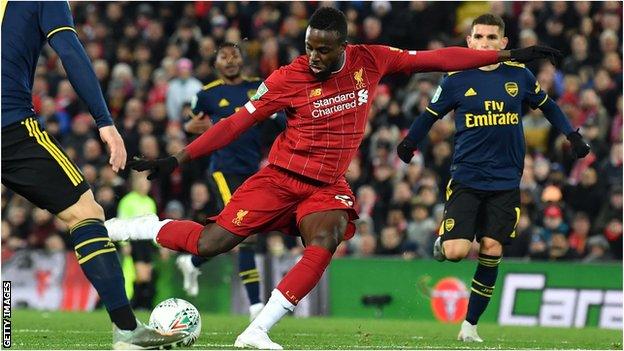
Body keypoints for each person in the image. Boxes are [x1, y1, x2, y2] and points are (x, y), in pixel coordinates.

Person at [107, 7, 560, 350]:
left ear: (343, 45)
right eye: (309, 46)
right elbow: (235, 123)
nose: (314, 56)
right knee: (213, 244)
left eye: (323, 48)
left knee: (326, 238)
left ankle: (256, 331)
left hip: (325, 185)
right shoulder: (287, 78)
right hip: (280, 178)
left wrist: (506, 56)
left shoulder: (371, 60)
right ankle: (136, 228)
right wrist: (179, 157)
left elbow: (437, 58)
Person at [0, 2, 188, 349]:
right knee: (85, 213)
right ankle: (127, 330)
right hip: (9, 126)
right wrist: (104, 121)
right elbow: (70, 52)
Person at [396, 14, 590, 342]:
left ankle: (470, 326)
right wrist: (408, 143)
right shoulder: (456, 79)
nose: (484, 43)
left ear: (503, 43)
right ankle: (444, 242)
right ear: (468, 42)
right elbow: (429, 115)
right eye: (479, 37)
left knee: (491, 247)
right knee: (457, 252)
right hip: (467, 178)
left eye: (491, 38)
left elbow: (549, 107)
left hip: (506, 181)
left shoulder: (519, 75)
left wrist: (572, 135)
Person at [177, 42, 284, 321]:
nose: (230, 60)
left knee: (234, 232)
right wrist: (201, 127)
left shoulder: (258, 87)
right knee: (244, 230)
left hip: (253, 170)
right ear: (216, 64)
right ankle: (256, 306)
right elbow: (188, 125)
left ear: (243, 59)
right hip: (223, 170)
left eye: (235, 55)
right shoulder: (207, 94)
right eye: (224, 57)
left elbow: (280, 116)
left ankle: (192, 260)